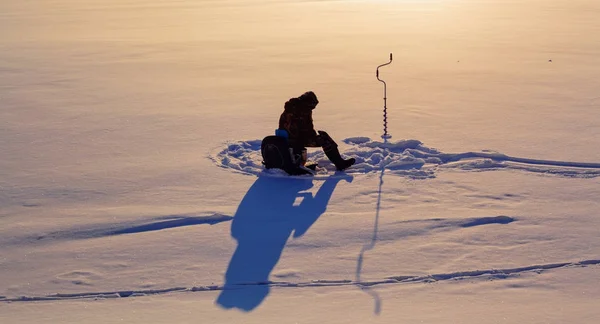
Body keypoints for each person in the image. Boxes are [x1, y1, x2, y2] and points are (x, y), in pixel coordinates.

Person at [278, 91, 355, 171]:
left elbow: (308, 127)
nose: (312, 108)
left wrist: (313, 135)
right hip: (292, 139)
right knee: (321, 140)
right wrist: (307, 136)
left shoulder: (305, 110)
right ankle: (339, 164)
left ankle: (339, 163)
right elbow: (290, 130)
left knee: (324, 138)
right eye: (311, 106)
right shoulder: (292, 111)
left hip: (302, 137)